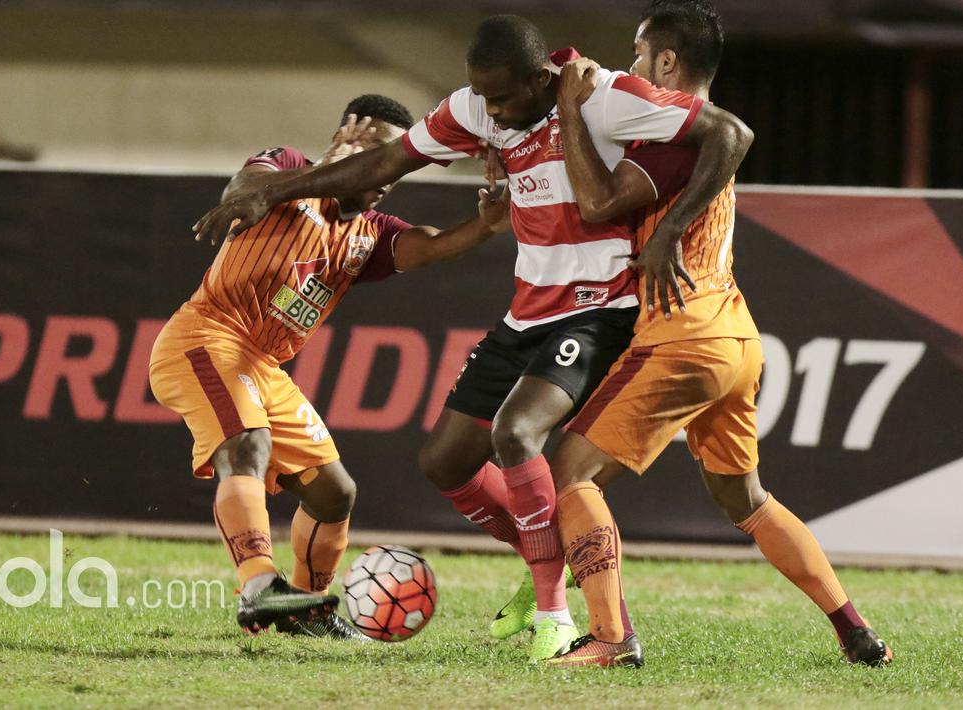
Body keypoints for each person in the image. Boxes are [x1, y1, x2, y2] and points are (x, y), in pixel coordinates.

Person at [193, 15, 760, 662]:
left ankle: (554, 613)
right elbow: (386, 162)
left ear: (540, 77)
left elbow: (730, 133)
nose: (489, 112)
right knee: (445, 460)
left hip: (599, 307)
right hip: (526, 311)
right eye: (481, 98)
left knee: (516, 433)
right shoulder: (477, 110)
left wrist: (667, 232)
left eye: (502, 98)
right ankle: (550, 555)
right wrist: (274, 192)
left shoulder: (605, 97)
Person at [530, 1, 893, 668]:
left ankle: (611, 638)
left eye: (640, 55)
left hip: (682, 337)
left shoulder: (675, 142)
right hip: (734, 338)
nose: (632, 67)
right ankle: (854, 629)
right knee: (744, 498)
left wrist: (569, 113)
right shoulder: (690, 143)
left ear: (667, 61)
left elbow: (595, 203)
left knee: (571, 473)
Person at [152, 94, 510, 639]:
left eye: (397, 166)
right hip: (208, 337)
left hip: (264, 366)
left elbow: (430, 246)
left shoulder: (369, 233)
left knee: (334, 492)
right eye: (376, 155)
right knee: (246, 444)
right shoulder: (291, 168)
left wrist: (484, 226)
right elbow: (242, 191)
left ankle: (304, 607)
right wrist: (325, 169)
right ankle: (256, 586)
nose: (386, 174)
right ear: (345, 141)